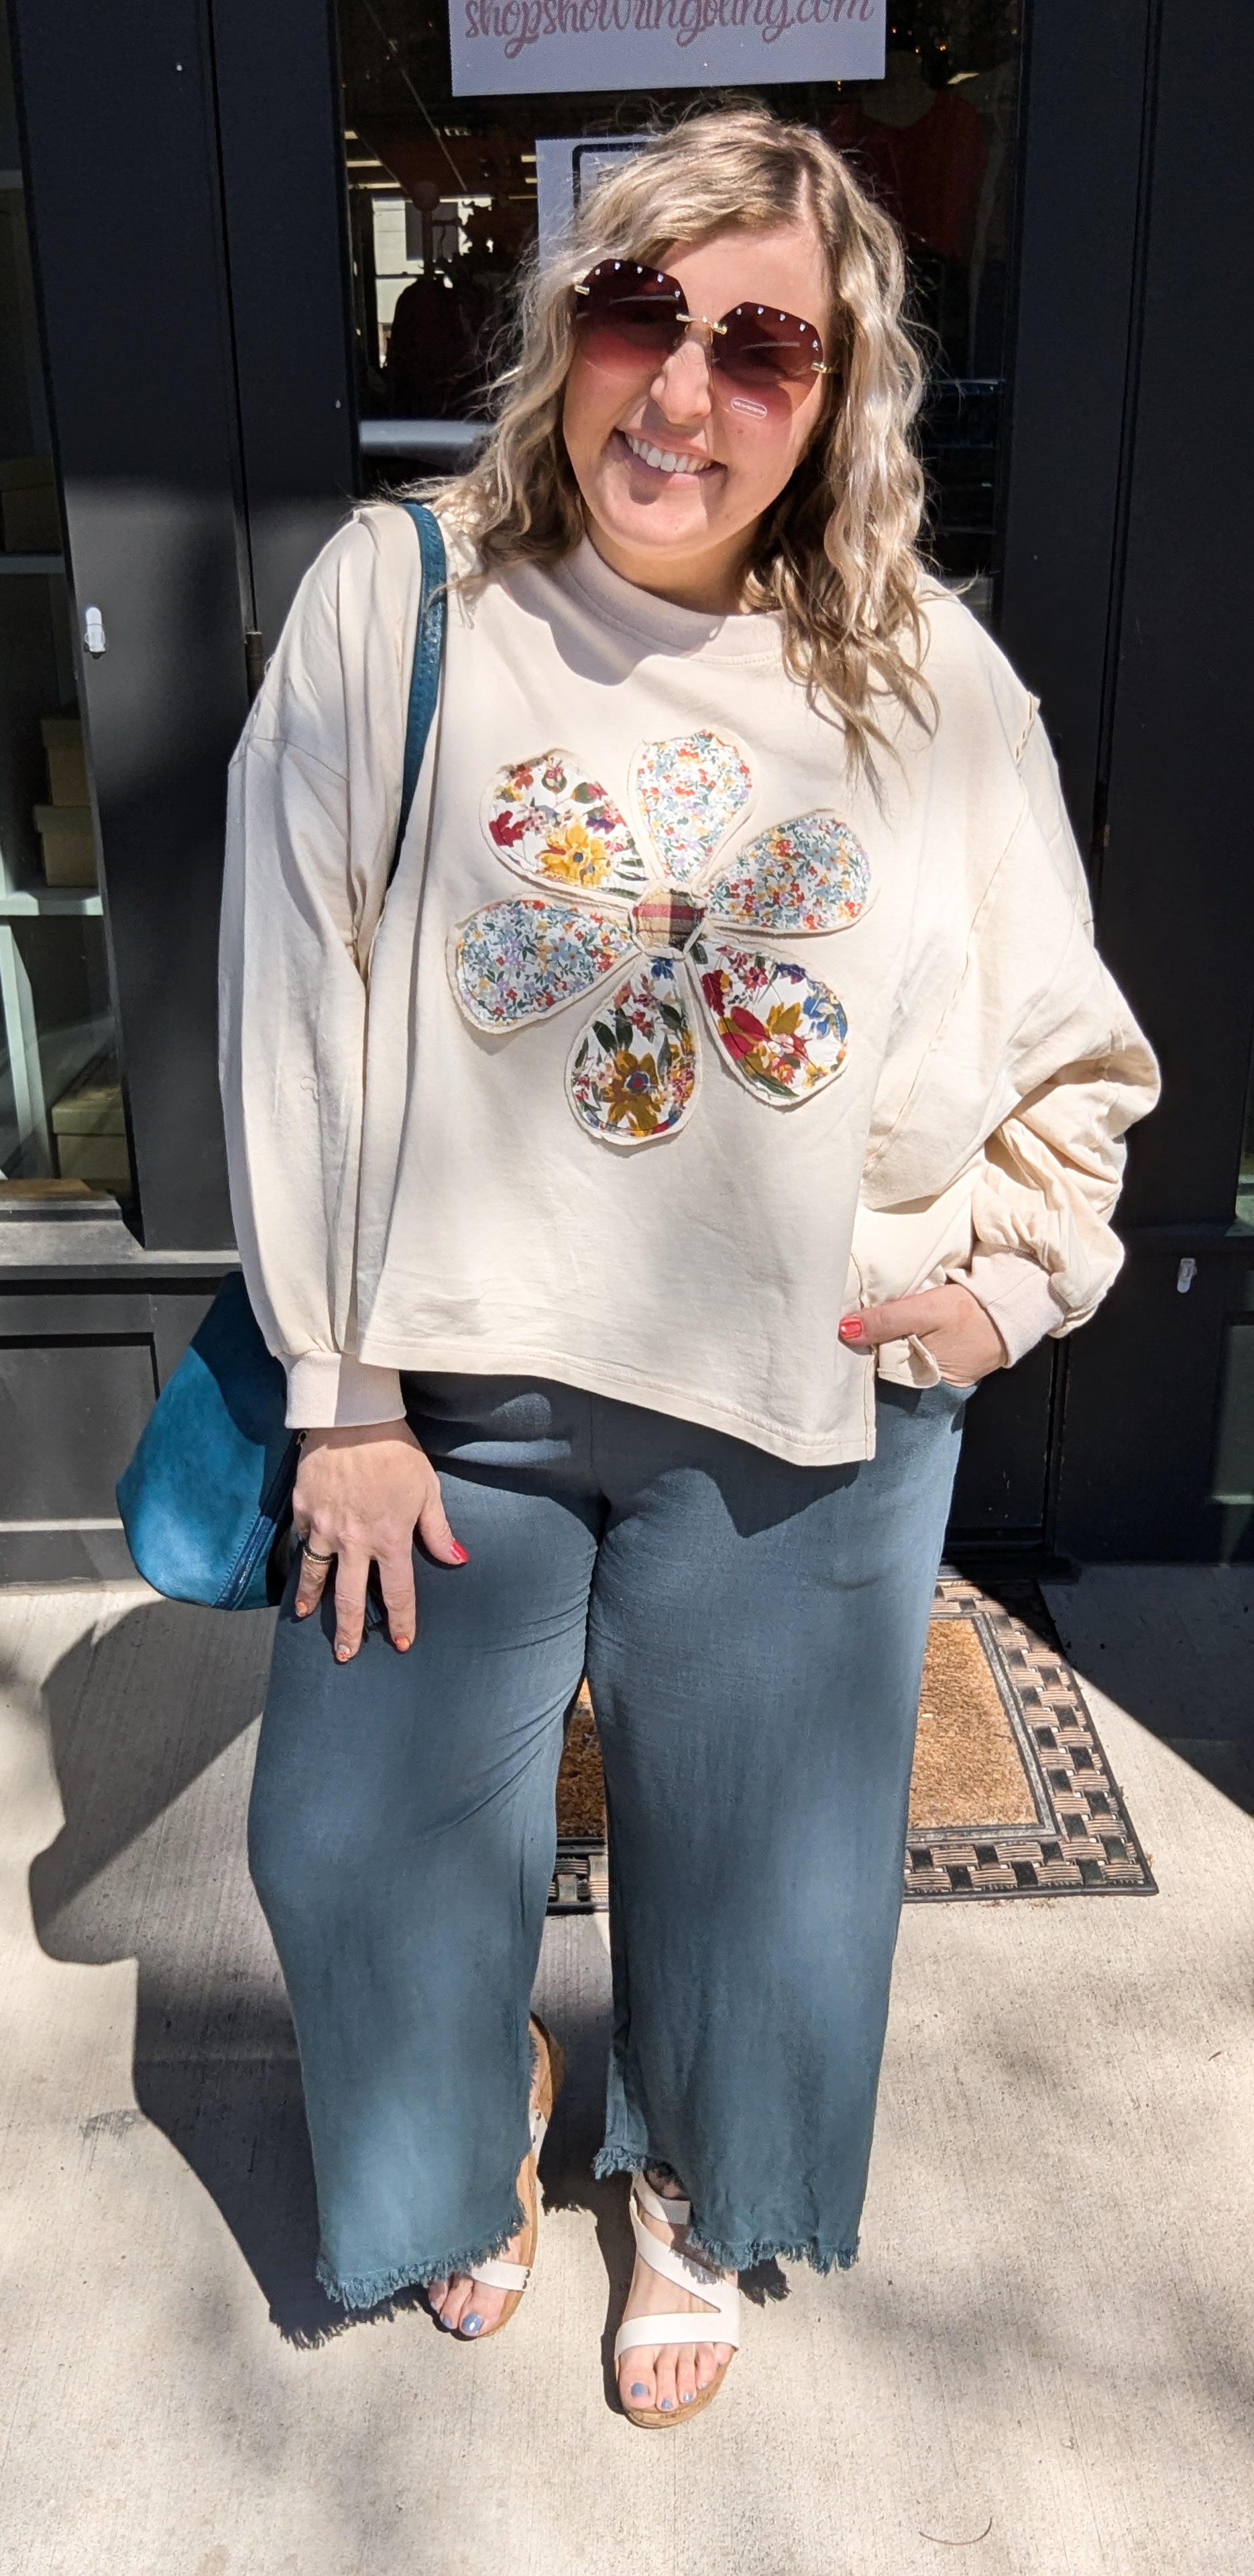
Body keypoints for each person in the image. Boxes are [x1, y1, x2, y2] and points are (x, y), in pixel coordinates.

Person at [219, 107, 1157, 2427]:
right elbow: (292, 1001)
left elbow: (1073, 1041)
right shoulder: (406, 603)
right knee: (351, 1839)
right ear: (570, 327)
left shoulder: (927, 680)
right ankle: (475, 2136)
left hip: (804, 1401)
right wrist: (339, 1391)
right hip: (448, 1394)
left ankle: (698, 2190)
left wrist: (1013, 1283)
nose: (686, 390)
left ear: (832, 401)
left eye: (765, 347)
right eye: (644, 313)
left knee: (770, 1883)